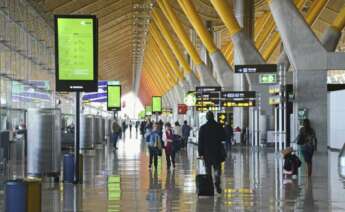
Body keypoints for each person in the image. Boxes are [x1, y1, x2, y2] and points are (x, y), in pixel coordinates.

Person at [198, 111, 226, 194]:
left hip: (207, 154)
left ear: (206, 118)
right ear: (213, 117)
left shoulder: (203, 128)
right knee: (217, 169)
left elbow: (200, 142)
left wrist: (200, 153)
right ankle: (217, 182)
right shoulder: (219, 126)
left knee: (208, 171)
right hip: (217, 153)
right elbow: (223, 137)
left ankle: (210, 187)